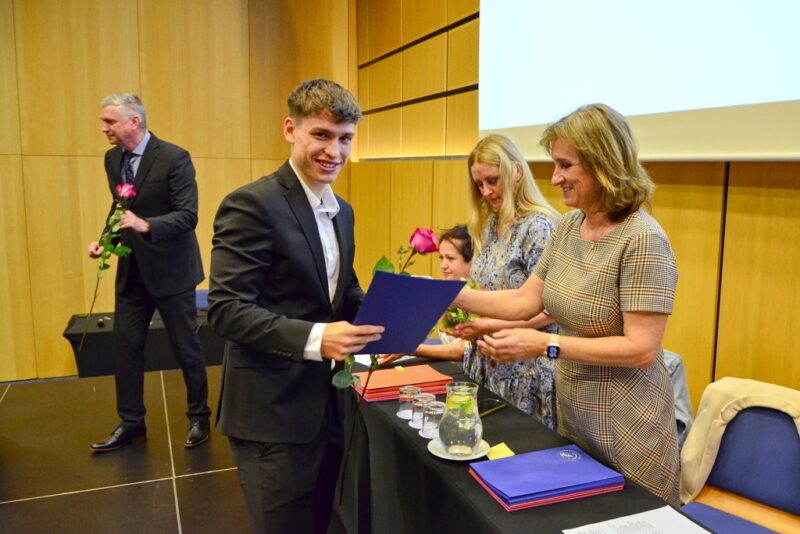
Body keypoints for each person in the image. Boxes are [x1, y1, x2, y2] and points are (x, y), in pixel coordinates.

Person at [452, 104, 681, 506]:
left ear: (603, 164)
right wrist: (450, 294)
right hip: (574, 415)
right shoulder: (569, 227)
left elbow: (641, 349)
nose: (555, 178)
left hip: (628, 426)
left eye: (565, 165)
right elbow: (525, 300)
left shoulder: (643, 239)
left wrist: (545, 345)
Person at [207, 79, 384, 534]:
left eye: (345, 138)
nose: (334, 151)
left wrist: (386, 312)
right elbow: (226, 309)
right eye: (321, 135)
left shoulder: (343, 210)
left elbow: (341, 289)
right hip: (270, 412)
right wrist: (318, 338)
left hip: (327, 408)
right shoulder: (251, 204)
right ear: (291, 129)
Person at [88, 94, 211, 452]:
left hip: (172, 272)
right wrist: (106, 242)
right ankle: (131, 423)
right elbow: (119, 207)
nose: (104, 128)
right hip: (132, 272)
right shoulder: (113, 159)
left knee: (186, 349)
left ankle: (199, 417)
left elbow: (188, 215)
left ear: (134, 122)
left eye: (110, 121)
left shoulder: (174, 158)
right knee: (126, 348)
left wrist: (147, 224)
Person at [459, 134, 561, 430]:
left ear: (516, 171)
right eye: (479, 184)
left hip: (524, 369)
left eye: (492, 180)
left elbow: (550, 309)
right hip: (487, 361)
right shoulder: (491, 223)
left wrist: (490, 325)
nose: (486, 191)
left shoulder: (539, 227)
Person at [378, 225, 474, 365]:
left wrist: (410, 349)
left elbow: (465, 351)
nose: (443, 265)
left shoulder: (480, 294)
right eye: (441, 258)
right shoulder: (445, 288)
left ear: (472, 260)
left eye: (450, 258)